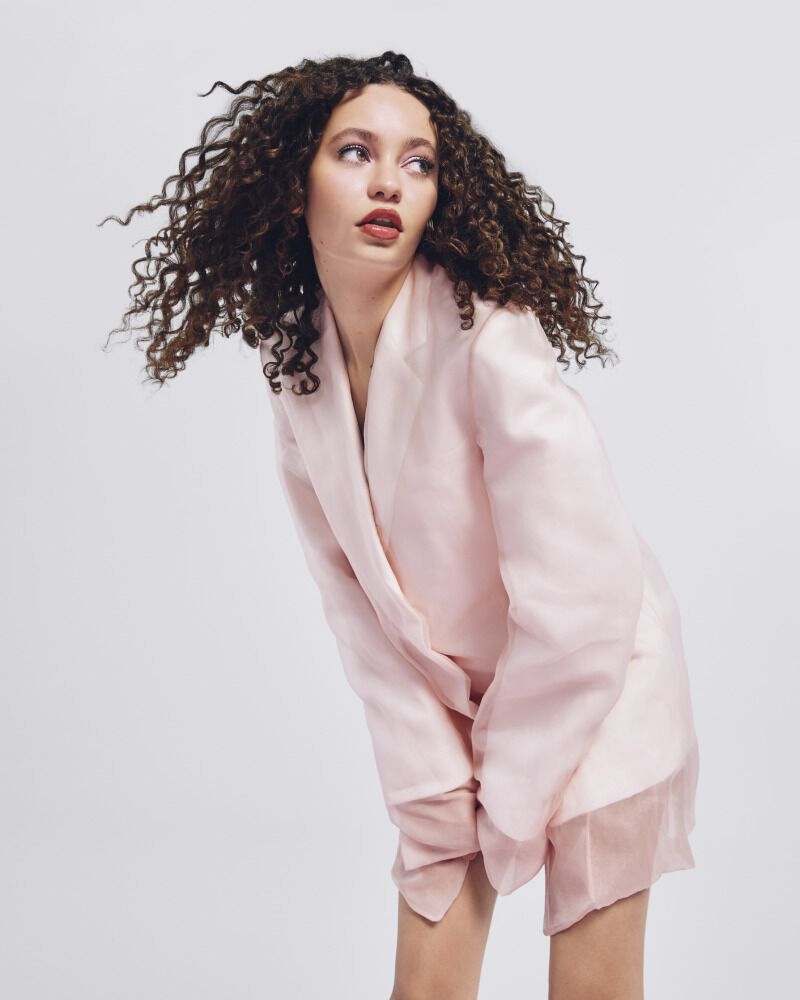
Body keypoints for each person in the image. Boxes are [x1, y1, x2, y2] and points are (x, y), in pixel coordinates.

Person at [101, 50, 699, 1000]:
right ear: (292, 188)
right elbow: (357, 608)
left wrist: (510, 788)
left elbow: (585, 591)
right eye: (354, 153)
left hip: (597, 685)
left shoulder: (488, 334)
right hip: (457, 709)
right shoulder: (295, 360)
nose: (390, 181)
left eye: (418, 163)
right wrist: (436, 787)